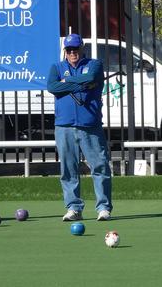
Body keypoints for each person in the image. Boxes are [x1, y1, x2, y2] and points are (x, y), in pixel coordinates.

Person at [46, 33, 113, 222]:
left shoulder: (94, 64)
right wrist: (79, 84)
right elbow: (52, 86)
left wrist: (66, 83)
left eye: (76, 48)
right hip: (64, 126)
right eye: (69, 49)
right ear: (65, 51)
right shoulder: (57, 67)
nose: (73, 52)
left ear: (82, 48)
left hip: (90, 125)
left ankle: (103, 208)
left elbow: (92, 77)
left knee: (100, 166)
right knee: (68, 169)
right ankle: (74, 208)